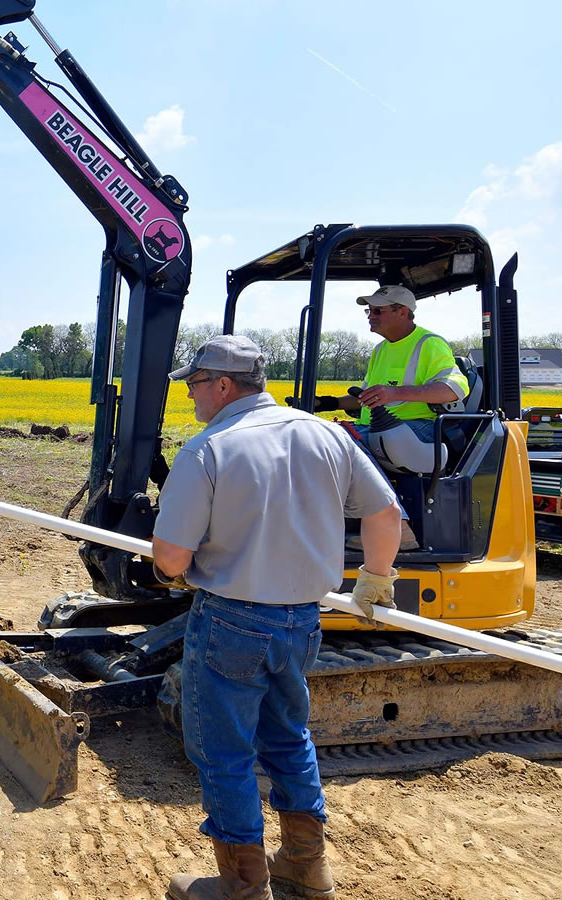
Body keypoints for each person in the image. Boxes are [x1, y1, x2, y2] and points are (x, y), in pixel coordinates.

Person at [154, 334, 405, 900]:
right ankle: (305, 867)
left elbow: (171, 559)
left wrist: (168, 567)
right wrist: (376, 577)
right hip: (302, 622)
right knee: (289, 739)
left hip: (231, 623)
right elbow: (386, 511)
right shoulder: (326, 435)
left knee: (224, 752)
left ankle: (244, 886)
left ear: (221, 385)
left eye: (194, 386)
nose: (191, 397)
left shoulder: (208, 449)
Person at [306, 284, 469, 448]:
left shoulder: (429, 344)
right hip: (377, 428)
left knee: (334, 448)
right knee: (316, 439)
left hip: (415, 428)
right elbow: (369, 397)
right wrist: (325, 403)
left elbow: (453, 390)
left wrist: (394, 393)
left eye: (378, 311)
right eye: (369, 311)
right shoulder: (380, 349)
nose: (370, 316)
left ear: (402, 312)